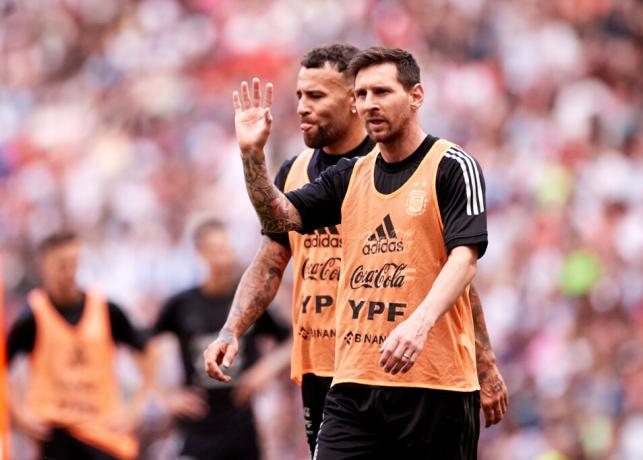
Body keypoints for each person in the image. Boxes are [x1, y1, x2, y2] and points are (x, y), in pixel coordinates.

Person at [209, 45, 506, 459]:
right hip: (346, 375)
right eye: (363, 94)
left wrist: (469, 351)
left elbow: (458, 262)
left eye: (381, 92)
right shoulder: (341, 177)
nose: (369, 104)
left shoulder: (449, 165)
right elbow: (278, 229)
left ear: (415, 96)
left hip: (432, 380)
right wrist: (251, 155)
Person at [148, 218, 289, 460]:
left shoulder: (249, 302)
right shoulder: (182, 304)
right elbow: (144, 345)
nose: (224, 258)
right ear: (200, 253)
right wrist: (166, 397)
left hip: (241, 424)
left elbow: (292, 339)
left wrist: (264, 371)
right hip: (197, 424)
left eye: (226, 249)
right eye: (216, 250)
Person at [5, 231, 144, 460]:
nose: (69, 272)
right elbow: (5, 366)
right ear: (44, 266)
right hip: (55, 431)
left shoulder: (105, 309)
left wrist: (136, 408)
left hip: (102, 432)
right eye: (61, 265)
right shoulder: (32, 315)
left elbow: (145, 349)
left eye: (73, 263)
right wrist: (20, 414)